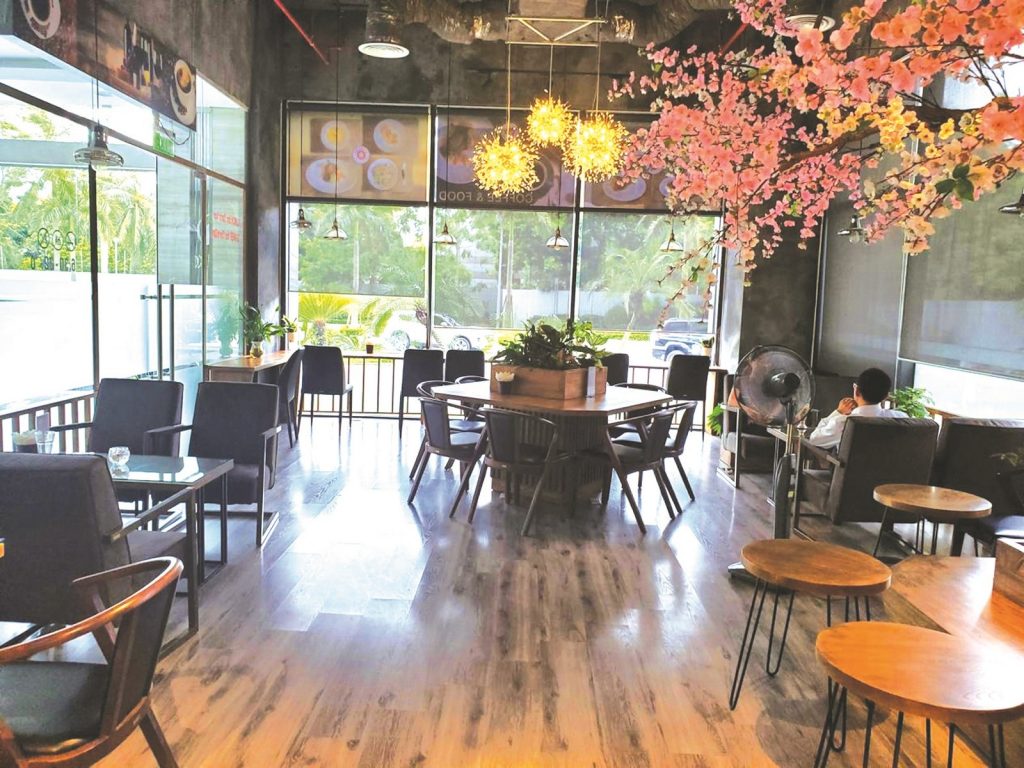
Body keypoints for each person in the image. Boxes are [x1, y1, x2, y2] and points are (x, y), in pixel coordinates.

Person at [806, 367, 907, 450]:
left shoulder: (843, 423)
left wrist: (838, 412)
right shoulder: (902, 419)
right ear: (886, 396)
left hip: (851, 470)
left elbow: (814, 440)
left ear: (857, 391)